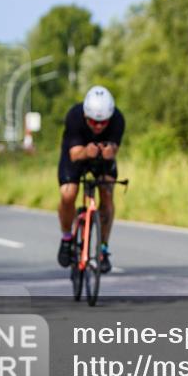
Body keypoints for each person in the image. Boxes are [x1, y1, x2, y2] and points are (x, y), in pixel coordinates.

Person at [56, 86, 125, 273]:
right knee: (69, 194)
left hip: (102, 158)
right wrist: (87, 151)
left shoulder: (118, 119)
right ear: (86, 116)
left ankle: (103, 249)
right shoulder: (75, 117)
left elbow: (114, 148)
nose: (99, 127)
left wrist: (110, 151)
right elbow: (74, 154)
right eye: (94, 122)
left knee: (108, 193)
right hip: (76, 155)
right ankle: (67, 238)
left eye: (103, 123)